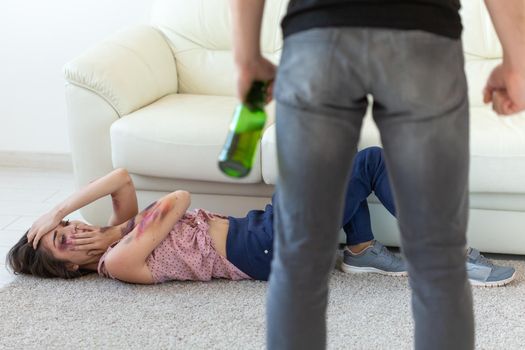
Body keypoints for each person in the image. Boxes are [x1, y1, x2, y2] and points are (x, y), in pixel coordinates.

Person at [229, 0, 525, 349]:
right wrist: (517, 59)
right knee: (438, 257)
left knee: (300, 255)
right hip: (424, 34)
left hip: (318, 35)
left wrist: (246, 57)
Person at [8, 148, 515, 287]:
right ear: (70, 268)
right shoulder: (118, 261)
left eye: (65, 226)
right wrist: (128, 225)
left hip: (265, 228)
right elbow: (178, 199)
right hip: (270, 251)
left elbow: (120, 176)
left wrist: (58, 206)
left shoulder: (122, 232)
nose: (72, 232)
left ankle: (360, 253)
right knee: (369, 162)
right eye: (62, 241)